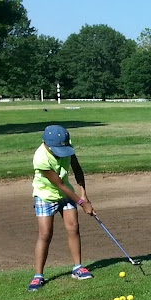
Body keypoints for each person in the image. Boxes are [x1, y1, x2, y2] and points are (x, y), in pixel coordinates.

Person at [28, 124, 97, 290]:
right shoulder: (40, 158)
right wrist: (82, 203)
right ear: (47, 145)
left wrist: (84, 194)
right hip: (45, 195)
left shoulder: (66, 145)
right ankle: (38, 276)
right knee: (45, 233)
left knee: (73, 227)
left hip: (66, 194)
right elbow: (58, 183)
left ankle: (78, 268)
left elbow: (77, 169)